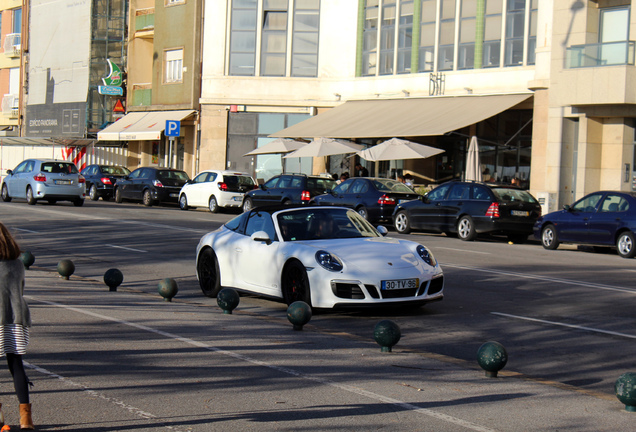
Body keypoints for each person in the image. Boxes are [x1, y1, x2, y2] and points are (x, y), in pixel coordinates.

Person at [0, 223, 34, 430]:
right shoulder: (17, 265)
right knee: (16, 365)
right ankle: (26, 420)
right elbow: (20, 290)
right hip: (16, 320)